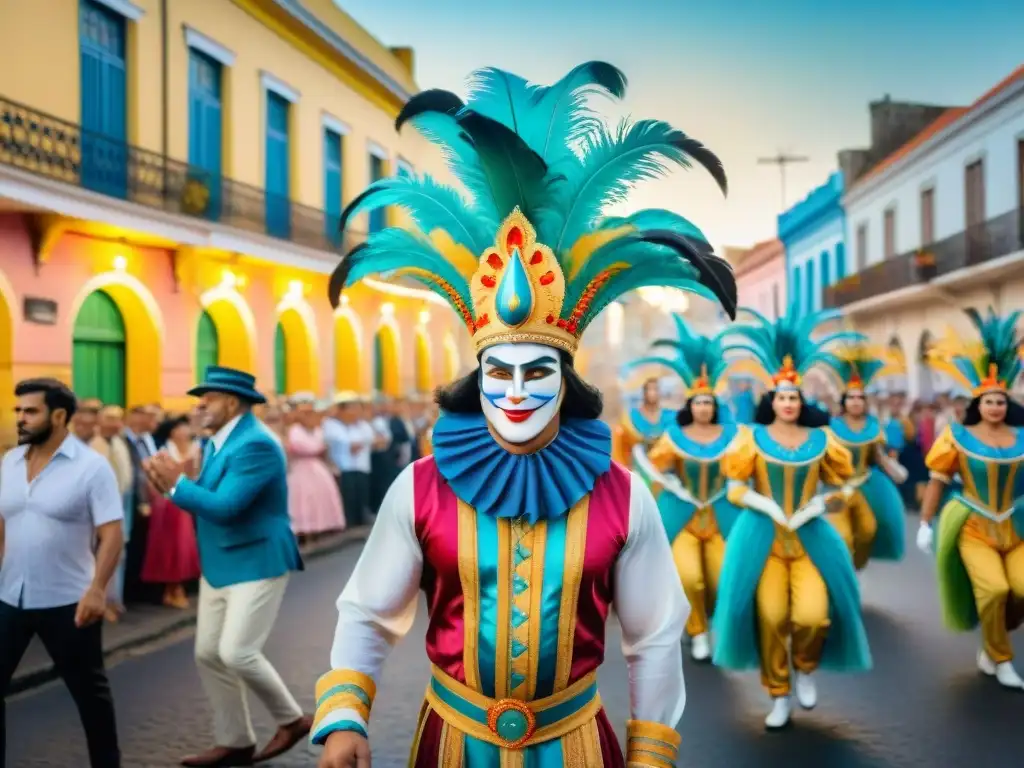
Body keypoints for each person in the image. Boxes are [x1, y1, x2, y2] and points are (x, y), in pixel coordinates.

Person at [312, 59, 737, 767]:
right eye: (496, 371)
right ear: (474, 379)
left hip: (576, 746)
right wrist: (346, 714)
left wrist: (652, 750)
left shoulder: (623, 496)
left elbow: (656, 634)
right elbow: (367, 610)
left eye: (535, 371)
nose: (513, 390)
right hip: (452, 746)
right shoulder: (419, 486)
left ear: (565, 381)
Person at [143, 366, 311, 766]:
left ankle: (292, 720)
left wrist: (176, 485)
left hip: (257, 559)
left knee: (237, 652)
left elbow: (227, 507)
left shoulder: (256, 444)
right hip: (222, 562)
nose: (198, 405)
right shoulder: (218, 442)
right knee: (208, 654)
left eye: (208, 398)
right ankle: (235, 740)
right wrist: (172, 484)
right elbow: (207, 497)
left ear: (232, 403)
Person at [713, 306, 872, 730]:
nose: (787, 403)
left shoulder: (822, 439)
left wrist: (825, 502)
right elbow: (735, 488)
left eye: (794, 397)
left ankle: (804, 665)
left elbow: (844, 485)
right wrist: (764, 504)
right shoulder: (751, 438)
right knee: (771, 616)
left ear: (803, 402)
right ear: (773, 401)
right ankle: (778, 692)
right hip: (761, 541)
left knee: (812, 616)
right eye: (781, 397)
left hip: (810, 540)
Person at [0, 378, 124, 768]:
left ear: (58, 415)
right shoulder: (9, 462)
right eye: (17, 410)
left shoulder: (91, 468)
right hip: (11, 597)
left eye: (30, 411)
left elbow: (112, 534)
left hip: (69, 601)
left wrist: (97, 590)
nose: (20, 417)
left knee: (90, 696)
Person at [916, 307, 1024, 689]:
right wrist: (926, 524)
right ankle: (1000, 656)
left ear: (1007, 404)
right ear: (976, 404)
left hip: (1016, 522)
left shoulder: (1022, 437)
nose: (994, 407)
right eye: (988, 401)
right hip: (974, 523)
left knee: (1020, 590)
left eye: (1000, 401)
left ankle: (995, 637)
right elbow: (937, 481)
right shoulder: (956, 437)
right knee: (994, 589)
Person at [627, 315, 740, 662]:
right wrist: (666, 481)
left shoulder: (733, 436)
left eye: (708, 402)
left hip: (721, 518)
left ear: (715, 406)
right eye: (698, 403)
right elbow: (654, 466)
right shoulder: (673, 438)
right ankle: (698, 633)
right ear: (690, 406)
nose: (703, 408)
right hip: (685, 520)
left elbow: (746, 468)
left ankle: (709, 622)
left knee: (722, 579)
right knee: (690, 578)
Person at [822, 346, 907, 570]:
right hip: (836, 489)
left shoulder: (874, 428)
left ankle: (851, 573)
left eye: (860, 397)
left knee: (868, 531)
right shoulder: (831, 429)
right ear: (844, 401)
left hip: (864, 488)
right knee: (843, 537)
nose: (856, 401)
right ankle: (839, 576)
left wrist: (894, 470)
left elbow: (877, 457)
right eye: (851, 397)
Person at [140, 415, 201, 609]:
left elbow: (195, 476)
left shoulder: (195, 449)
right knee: (168, 547)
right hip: (166, 503)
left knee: (183, 546)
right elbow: (155, 478)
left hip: (184, 501)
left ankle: (178, 588)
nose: (185, 432)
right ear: (173, 432)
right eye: (181, 428)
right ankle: (170, 589)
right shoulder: (164, 451)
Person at [286, 393, 346, 541]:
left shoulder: (318, 430)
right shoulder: (293, 430)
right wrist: (318, 448)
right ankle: (303, 532)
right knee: (303, 500)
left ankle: (320, 530)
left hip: (317, 469)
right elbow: (303, 446)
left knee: (320, 498)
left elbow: (322, 446)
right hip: (300, 470)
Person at [323, 392, 373, 528]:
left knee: (360, 497)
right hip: (342, 469)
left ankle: (360, 523)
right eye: (353, 408)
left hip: (361, 467)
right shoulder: (331, 424)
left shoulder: (362, 425)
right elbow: (349, 444)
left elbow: (372, 439)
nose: (357, 412)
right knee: (347, 499)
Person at [611, 376, 676, 467]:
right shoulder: (632, 416)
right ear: (643, 392)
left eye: (655, 389)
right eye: (649, 389)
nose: (652, 393)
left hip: (665, 468)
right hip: (637, 467)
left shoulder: (670, 416)